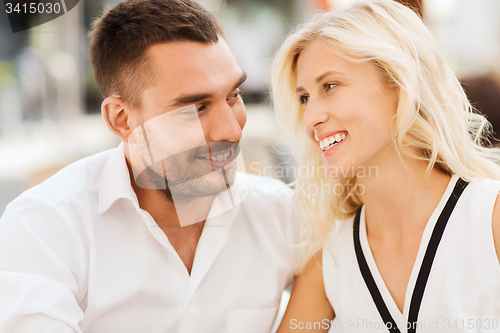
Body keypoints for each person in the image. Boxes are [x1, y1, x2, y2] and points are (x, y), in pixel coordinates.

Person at [0, 1, 299, 332]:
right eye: (197, 108)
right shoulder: (46, 225)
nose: (231, 130)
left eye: (233, 95)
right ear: (122, 119)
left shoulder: (280, 215)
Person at [271, 0, 500, 332]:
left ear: (398, 83)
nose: (311, 118)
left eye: (330, 86)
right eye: (305, 97)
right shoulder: (332, 254)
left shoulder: (489, 218)